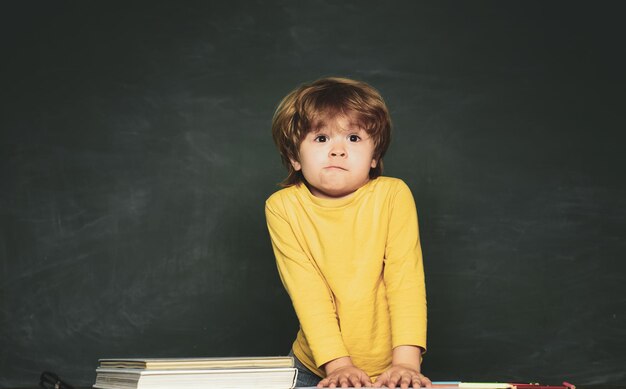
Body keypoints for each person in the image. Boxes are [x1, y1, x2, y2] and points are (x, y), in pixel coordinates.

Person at [265, 77, 430, 389]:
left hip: (394, 368)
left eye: (354, 138)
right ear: (294, 158)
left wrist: (406, 363)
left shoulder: (393, 195)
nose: (338, 150)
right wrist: (338, 365)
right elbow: (308, 293)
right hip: (316, 365)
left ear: (374, 158)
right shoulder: (283, 207)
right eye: (321, 138)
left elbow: (405, 281)